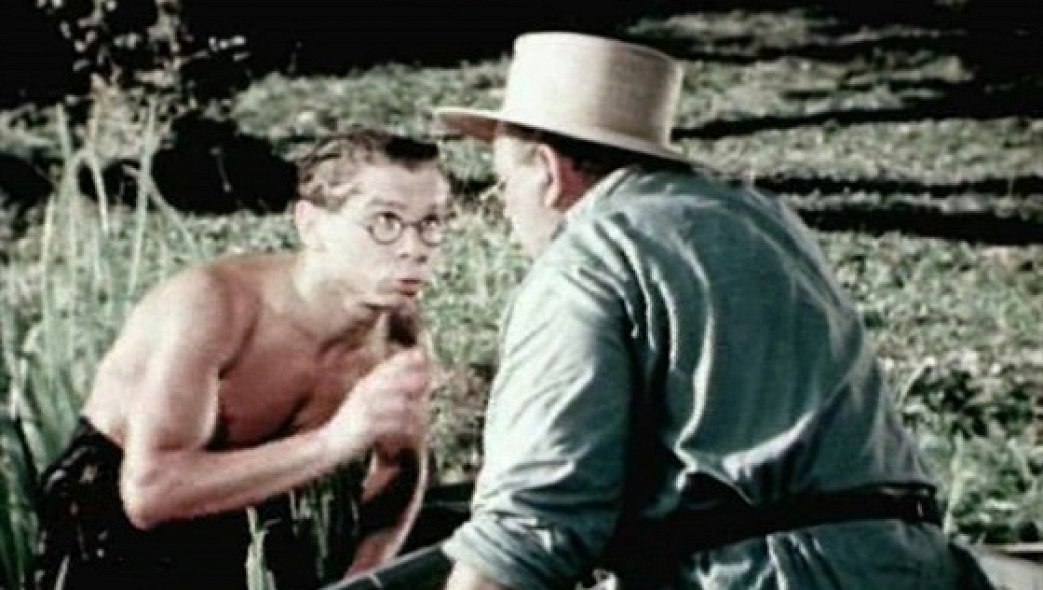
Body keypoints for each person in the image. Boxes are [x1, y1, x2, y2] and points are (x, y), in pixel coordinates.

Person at [431, 32, 995, 590]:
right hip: (916, 564)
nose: (503, 209)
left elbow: (533, 521)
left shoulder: (587, 258)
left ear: (548, 171)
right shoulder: (766, 221)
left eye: (501, 185)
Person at [32, 129, 450, 590]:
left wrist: (364, 575)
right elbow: (149, 495)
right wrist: (335, 441)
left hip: (241, 514)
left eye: (431, 222)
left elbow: (400, 469)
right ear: (311, 225)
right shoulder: (213, 307)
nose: (415, 248)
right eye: (385, 222)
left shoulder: (396, 335)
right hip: (113, 510)